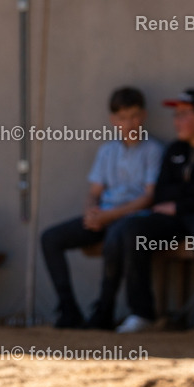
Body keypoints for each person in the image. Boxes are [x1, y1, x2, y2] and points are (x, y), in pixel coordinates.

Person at [39, 87, 163, 329]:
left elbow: (149, 198)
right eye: (123, 118)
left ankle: (104, 309)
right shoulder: (107, 151)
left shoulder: (154, 150)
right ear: (113, 120)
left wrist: (109, 216)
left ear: (144, 116)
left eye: (135, 116)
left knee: (118, 235)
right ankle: (68, 309)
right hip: (105, 217)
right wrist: (91, 213)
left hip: (133, 220)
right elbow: (94, 192)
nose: (130, 123)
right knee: (50, 238)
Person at [113, 89, 194, 333]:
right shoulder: (174, 149)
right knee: (133, 229)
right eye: (175, 115)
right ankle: (141, 313)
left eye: (183, 115)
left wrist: (181, 202)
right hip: (175, 218)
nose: (177, 121)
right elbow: (161, 193)